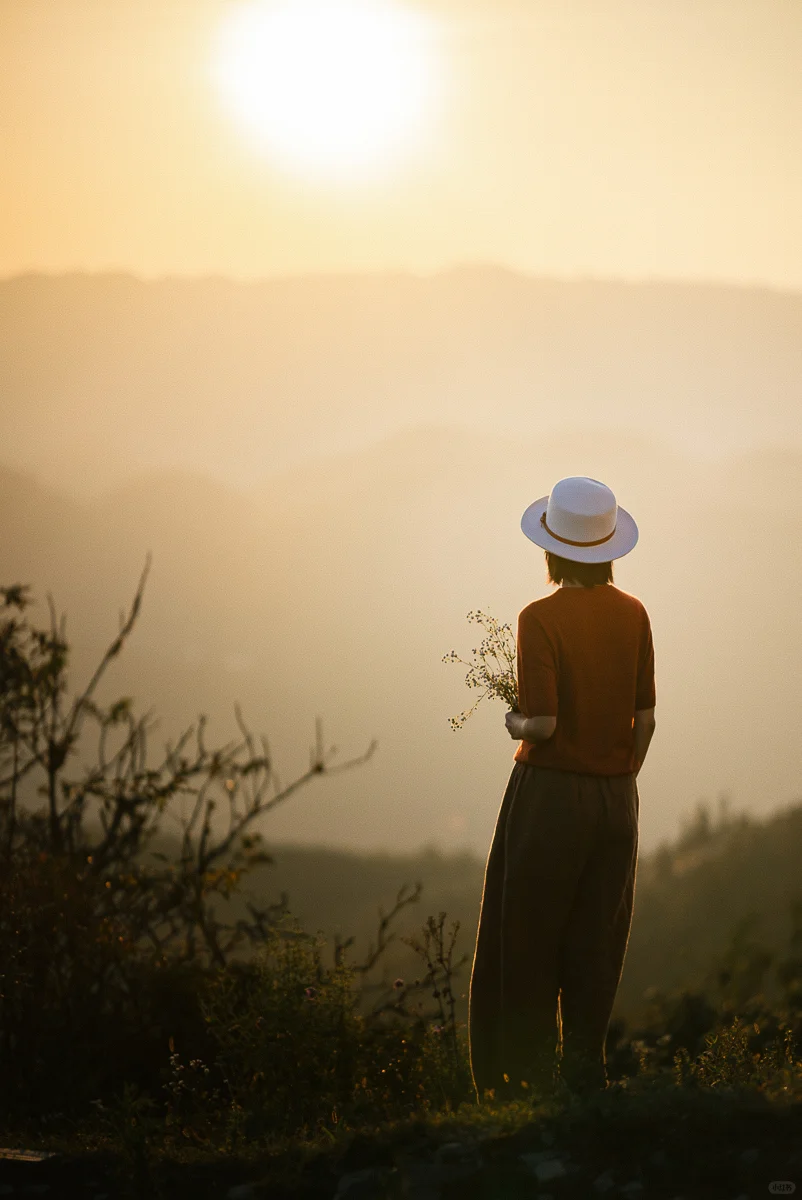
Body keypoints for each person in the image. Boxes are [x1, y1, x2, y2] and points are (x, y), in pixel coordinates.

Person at [468, 475, 656, 1104]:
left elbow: (543, 723)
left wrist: (513, 721)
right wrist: (621, 774)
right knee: (595, 944)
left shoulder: (539, 618)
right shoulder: (634, 614)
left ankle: (515, 1086)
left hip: (549, 796)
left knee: (522, 938)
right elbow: (646, 718)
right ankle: (584, 1080)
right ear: (606, 547)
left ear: (550, 547)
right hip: (616, 798)